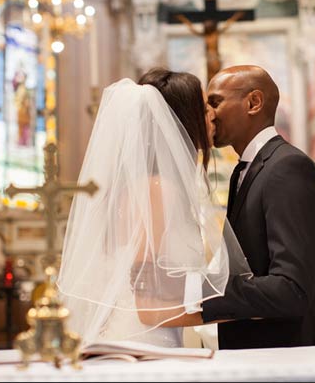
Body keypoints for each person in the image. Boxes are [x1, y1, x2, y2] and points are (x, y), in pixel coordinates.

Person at [57, 68, 251, 348]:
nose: (212, 114)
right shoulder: (157, 189)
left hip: (149, 333)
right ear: (181, 118)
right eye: (203, 105)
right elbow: (147, 298)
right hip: (142, 341)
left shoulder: (155, 185)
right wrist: (238, 311)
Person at [199, 65, 315, 349]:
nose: (208, 114)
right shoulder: (246, 170)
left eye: (215, 101)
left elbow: (291, 288)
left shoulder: (287, 168)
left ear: (253, 103)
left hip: (286, 358)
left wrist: (201, 291)